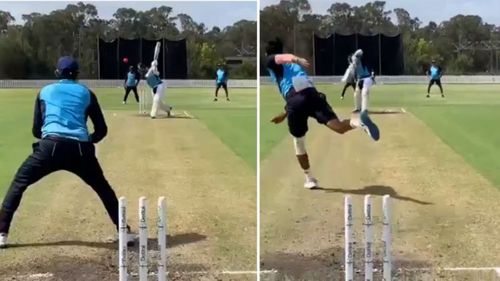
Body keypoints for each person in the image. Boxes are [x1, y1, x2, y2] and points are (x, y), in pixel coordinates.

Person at [0, 56, 134, 248]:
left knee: (19, 183)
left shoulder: (45, 91)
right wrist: (88, 140)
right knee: (103, 189)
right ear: (77, 75)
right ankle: (124, 232)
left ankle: (2, 233)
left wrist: (49, 137)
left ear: (57, 73)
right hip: (80, 149)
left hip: (50, 146)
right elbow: (102, 130)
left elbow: (36, 130)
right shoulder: (87, 93)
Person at [265, 39, 380, 189]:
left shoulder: (272, 60)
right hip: (311, 95)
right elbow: (300, 91)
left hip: (295, 101)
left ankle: (309, 178)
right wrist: (285, 112)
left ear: (268, 53)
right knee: (339, 127)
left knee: (299, 142)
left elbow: (280, 60)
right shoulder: (293, 68)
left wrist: (296, 58)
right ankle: (359, 122)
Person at [346, 49, 376, 113]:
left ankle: (364, 109)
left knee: (364, 92)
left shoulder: (359, 61)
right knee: (356, 94)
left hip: (367, 78)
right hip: (360, 79)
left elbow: (360, 51)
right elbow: (354, 74)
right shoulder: (353, 66)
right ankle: (358, 108)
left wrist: (354, 55)